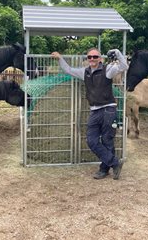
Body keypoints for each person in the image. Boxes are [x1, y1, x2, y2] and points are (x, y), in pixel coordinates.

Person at [51, 48, 128, 180]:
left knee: (107, 140)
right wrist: (60, 59)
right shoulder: (84, 72)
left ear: (100, 58)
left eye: (95, 57)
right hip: (94, 110)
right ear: (87, 59)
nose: (92, 59)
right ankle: (115, 163)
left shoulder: (107, 70)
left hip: (108, 109)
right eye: (89, 57)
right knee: (91, 141)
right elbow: (68, 70)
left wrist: (117, 52)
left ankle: (104, 170)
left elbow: (124, 66)